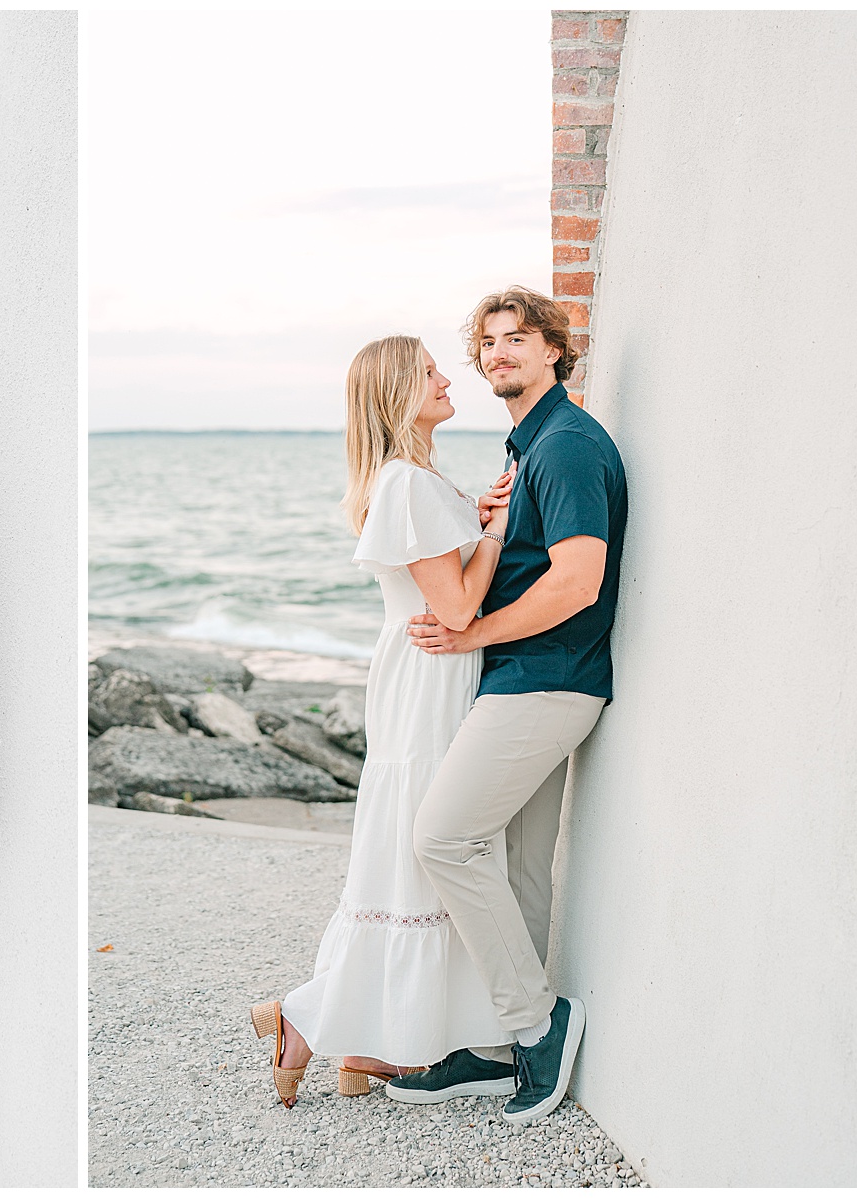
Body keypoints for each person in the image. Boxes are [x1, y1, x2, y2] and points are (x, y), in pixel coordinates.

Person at [250, 333, 518, 1107]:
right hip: (430, 678)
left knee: (412, 848)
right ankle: (310, 1018)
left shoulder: (416, 480)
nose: (446, 379)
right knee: (421, 850)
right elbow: (457, 607)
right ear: (400, 392)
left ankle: (365, 1045)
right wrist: (496, 531)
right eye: (429, 372)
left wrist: (475, 513)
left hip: (429, 672)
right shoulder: (405, 482)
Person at [392, 285, 627, 1126]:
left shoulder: (565, 446)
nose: (499, 354)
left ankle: (537, 1023)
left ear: (554, 350)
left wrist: (472, 633)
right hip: (533, 678)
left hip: (547, 679)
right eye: (488, 343)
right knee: (520, 867)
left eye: (517, 338)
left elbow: (578, 581)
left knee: (441, 838)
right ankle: (503, 1046)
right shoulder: (531, 447)